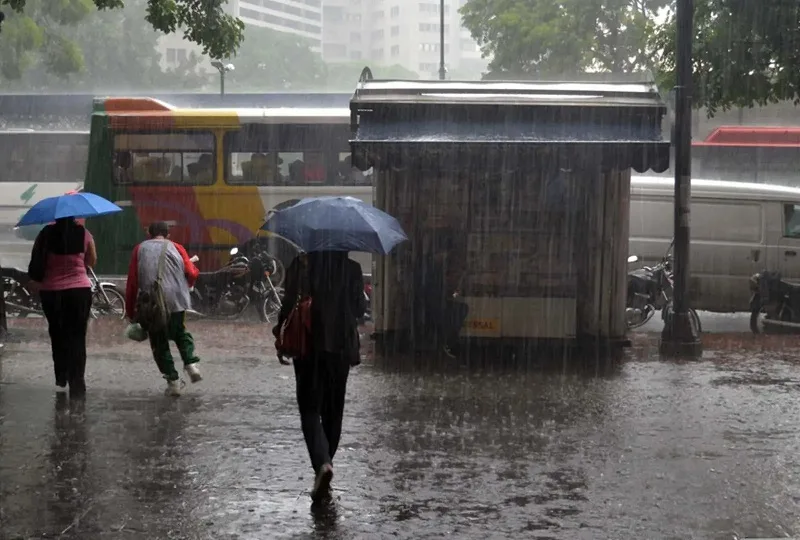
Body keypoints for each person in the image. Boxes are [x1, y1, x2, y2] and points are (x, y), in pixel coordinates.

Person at [274, 251, 366, 503]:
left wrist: (279, 331)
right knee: (334, 411)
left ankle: (322, 465)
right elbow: (360, 308)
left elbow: (288, 302)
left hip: (309, 344)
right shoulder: (352, 268)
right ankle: (326, 466)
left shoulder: (301, 263)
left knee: (310, 409)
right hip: (341, 347)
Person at [125, 221, 202, 396]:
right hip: (176, 299)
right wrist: (187, 283)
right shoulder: (177, 247)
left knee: (159, 342)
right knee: (180, 333)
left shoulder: (139, 249)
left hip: (152, 303)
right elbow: (191, 273)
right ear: (167, 235)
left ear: (149, 234)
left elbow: (132, 281)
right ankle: (191, 363)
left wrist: (131, 311)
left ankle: (173, 381)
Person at [28, 217, 97, 394]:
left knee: (57, 333)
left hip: (52, 292)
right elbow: (91, 261)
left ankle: (61, 375)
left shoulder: (45, 234)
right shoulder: (85, 234)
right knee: (77, 336)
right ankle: (77, 380)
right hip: (79, 291)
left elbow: (36, 260)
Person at [414, 245, 469, 358]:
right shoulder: (433, 267)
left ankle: (446, 341)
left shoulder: (432, 266)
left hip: (432, 301)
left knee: (459, 309)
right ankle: (447, 341)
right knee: (459, 310)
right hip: (432, 301)